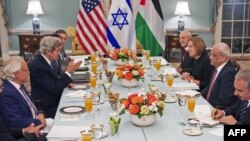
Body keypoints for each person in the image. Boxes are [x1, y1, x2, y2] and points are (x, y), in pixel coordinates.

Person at [29, 36, 82, 118]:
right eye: (57, 51)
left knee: (80, 102)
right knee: (79, 114)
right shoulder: (38, 66)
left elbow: (52, 81)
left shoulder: (46, 61)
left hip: (54, 99)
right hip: (47, 107)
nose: (59, 53)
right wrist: (68, 72)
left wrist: (66, 83)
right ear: (47, 51)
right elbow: (55, 88)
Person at [0, 56, 46, 129]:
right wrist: (39, 121)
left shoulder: (20, 85)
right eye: (26, 70)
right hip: (29, 131)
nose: (29, 72)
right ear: (16, 74)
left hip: (36, 123)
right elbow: (16, 121)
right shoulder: (7, 93)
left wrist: (40, 113)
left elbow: (30, 105)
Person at [201, 43, 238, 108]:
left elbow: (224, 100)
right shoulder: (216, 68)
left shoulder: (229, 73)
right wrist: (198, 96)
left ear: (223, 58)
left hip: (217, 109)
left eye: (213, 55)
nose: (210, 57)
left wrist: (205, 105)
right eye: (210, 54)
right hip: (209, 104)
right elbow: (210, 88)